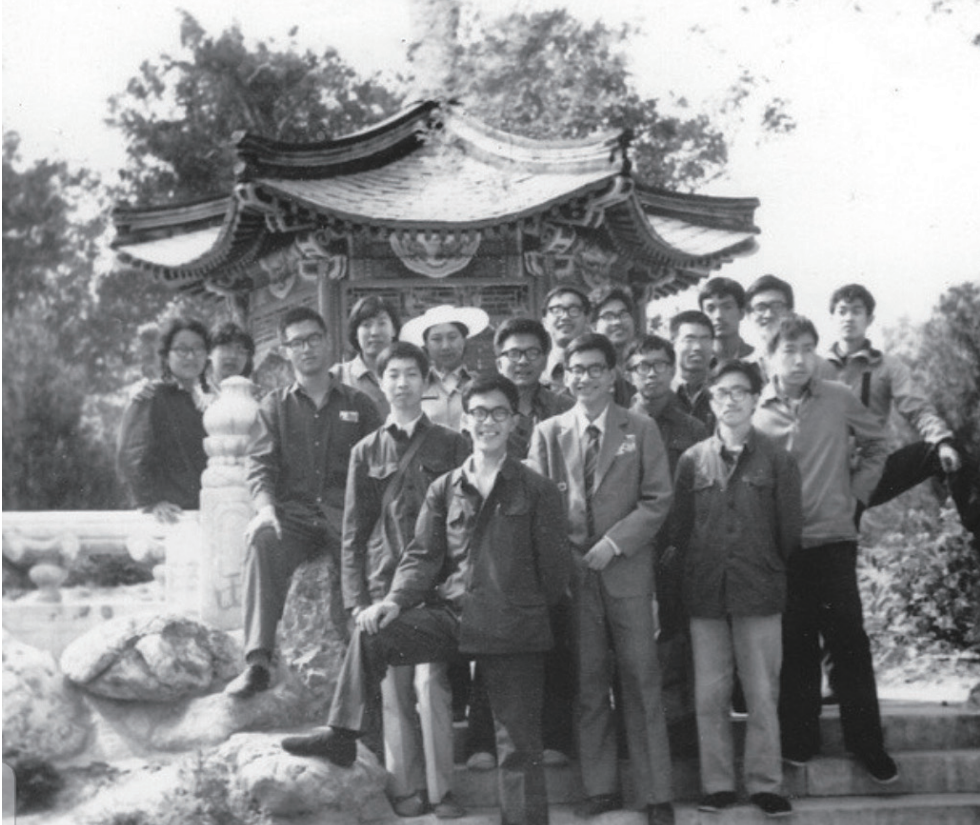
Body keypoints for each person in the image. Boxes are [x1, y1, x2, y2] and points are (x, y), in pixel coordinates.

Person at [282, 374, 570, 825]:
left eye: (499, 413)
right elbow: (422, 556)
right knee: (374, 633)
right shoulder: (446, 487)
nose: (488, 422)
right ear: (465, 421)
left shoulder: (537, 489)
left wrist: (517, 606)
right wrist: (394, 602)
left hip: (514, 627)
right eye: (479, 413)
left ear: (514, 421)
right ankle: (341, 734)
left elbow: (554, 574)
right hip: (455, 617)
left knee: (517, 747)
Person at [527, 333, 676, 825]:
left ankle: (656, 793)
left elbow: (657, 499)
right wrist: (564, 560)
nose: (585, 378)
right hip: (576, 578)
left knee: (641, 680)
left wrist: (613, 543)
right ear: (565, 376)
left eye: (595, 368)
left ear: (613, 375)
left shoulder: (641, 427)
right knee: (588, 683)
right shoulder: (549, 432)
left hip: (626, 571)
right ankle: (600, 787)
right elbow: (541, 507)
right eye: (576, 369)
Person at [753, 314, 897, 783]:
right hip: (785, 548)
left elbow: (878, 443)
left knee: (848, 641)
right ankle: (799, 739)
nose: (799, 360)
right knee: (794, 644)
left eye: (807, 349)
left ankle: (867, 743)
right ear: (769, 356)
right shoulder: (757, 413)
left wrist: (857, 495)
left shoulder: (837, 396)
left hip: (834, 540)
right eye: (789, 350)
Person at [225, 307, 382, 698]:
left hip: (344, 518)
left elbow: (379, 468)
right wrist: (265, 509)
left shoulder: (359, 405)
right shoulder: (274, 406)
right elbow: (260, 466)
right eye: (297, 342)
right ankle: (257, 662)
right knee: (262, 542)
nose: (307, 348)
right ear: (285, 350)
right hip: (293, 518)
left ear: (328, 341)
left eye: (314, 339)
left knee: (368, 572)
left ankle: (370, 675)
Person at [341, 341, 470, 818]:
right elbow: (353, 533)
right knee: (393, 691)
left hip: (433, 588)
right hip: (382, 583)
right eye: (392, 374)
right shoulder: (365, 450)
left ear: (425, 380)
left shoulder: (452, 444)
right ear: (380, 382)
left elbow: (462, 522)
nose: (402, 383)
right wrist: (357, 600)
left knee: (431, 685)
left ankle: (443, 791)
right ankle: (404, 787)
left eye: (411, 374)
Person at [672, 361, 802, 818]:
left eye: (739, 392)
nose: (730, 400)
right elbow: (681, 529)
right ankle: (718, 784)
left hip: (759, 589)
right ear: (711, 401)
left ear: (755, 398)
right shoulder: (692, 460)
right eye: (721, 393)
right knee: (710, 693)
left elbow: (789, 531)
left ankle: (765, 784)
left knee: (762, 691)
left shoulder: (777, 459)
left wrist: (762, 565)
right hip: (706, 591)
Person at [488, 316, 575, 767]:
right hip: (499, 533)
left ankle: (556, 736)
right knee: (495, 638)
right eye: (512, 353)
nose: (521, 361)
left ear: (545, 358)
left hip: (550, 529)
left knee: (555, 630)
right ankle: (486, 741)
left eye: (531, 353)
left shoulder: (562, 404)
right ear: (498, 359)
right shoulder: (486, 402)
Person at [825, 283, 978, 538]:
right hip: (827, 477)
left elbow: (917, 408)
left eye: (856, 311)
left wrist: (941, 441)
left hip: (873, 471)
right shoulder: (815, 369)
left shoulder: (887, 366)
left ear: (869, 319)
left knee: (947, 450)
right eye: (842, 311)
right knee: (833, 547)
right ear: (832, 317)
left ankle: (975, 531)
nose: (848, 317)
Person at [624, 334, 708, 720]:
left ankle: (681, 733)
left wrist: (682, 545)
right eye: (642, 366)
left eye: (659, 364)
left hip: (679, 552)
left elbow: (702, 497)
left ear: (673, 369)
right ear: (628, 373)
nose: (651, 373)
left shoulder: (694, 429)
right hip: (628, 550)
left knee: (679, 645)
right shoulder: (616, 424)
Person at [117, 317, 210, 524]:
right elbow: (132, 453)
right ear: (166, 356)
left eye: (198, 349)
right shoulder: (152, 395)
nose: (191, 356)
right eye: (182, 349)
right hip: (173, 516)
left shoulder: (206, 401)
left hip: (208, 511)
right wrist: (152, 502)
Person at [400, 305, 490, 432]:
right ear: (426, 345)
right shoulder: (415, 386)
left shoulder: (482, 385)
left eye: (452, 337)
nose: (445, 346)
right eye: (436, 339)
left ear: (464, 341)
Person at [331, 296, 401, 418]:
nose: (374, 332)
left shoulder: (411, 373)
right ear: (355, 333)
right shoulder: (338, 376)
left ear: (394, 330)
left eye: (382, 323)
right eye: (366, 325)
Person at [669, 310, 717, 432]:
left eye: (704, 339)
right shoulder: (660, 391)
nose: (698, 347)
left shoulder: (720, 392)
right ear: (673, 343)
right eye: (689, 339)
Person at [590, 286, 638, 406]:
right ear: (593, 326)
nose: (617, 322)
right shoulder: (590, 370)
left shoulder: (646, 364)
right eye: (608, 316)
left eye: (623, 314)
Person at [541, 285, 592, 391]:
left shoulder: (599, 370)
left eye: (574, 310)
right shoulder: (535, 371)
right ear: (545, 322)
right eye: (556, 310)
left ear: (587, 321)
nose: (565, 316)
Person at [697, 277, 754, 365]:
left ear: (741, 313)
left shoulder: (756, 359)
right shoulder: (697, 362)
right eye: (711, 309)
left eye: (727, 307)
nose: (718, 316)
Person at [206, 321, 255, 389]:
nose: (233, 355)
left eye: (240, 350)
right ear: (209, 352)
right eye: (226, 348)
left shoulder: (253, 392)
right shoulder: (196, 393)